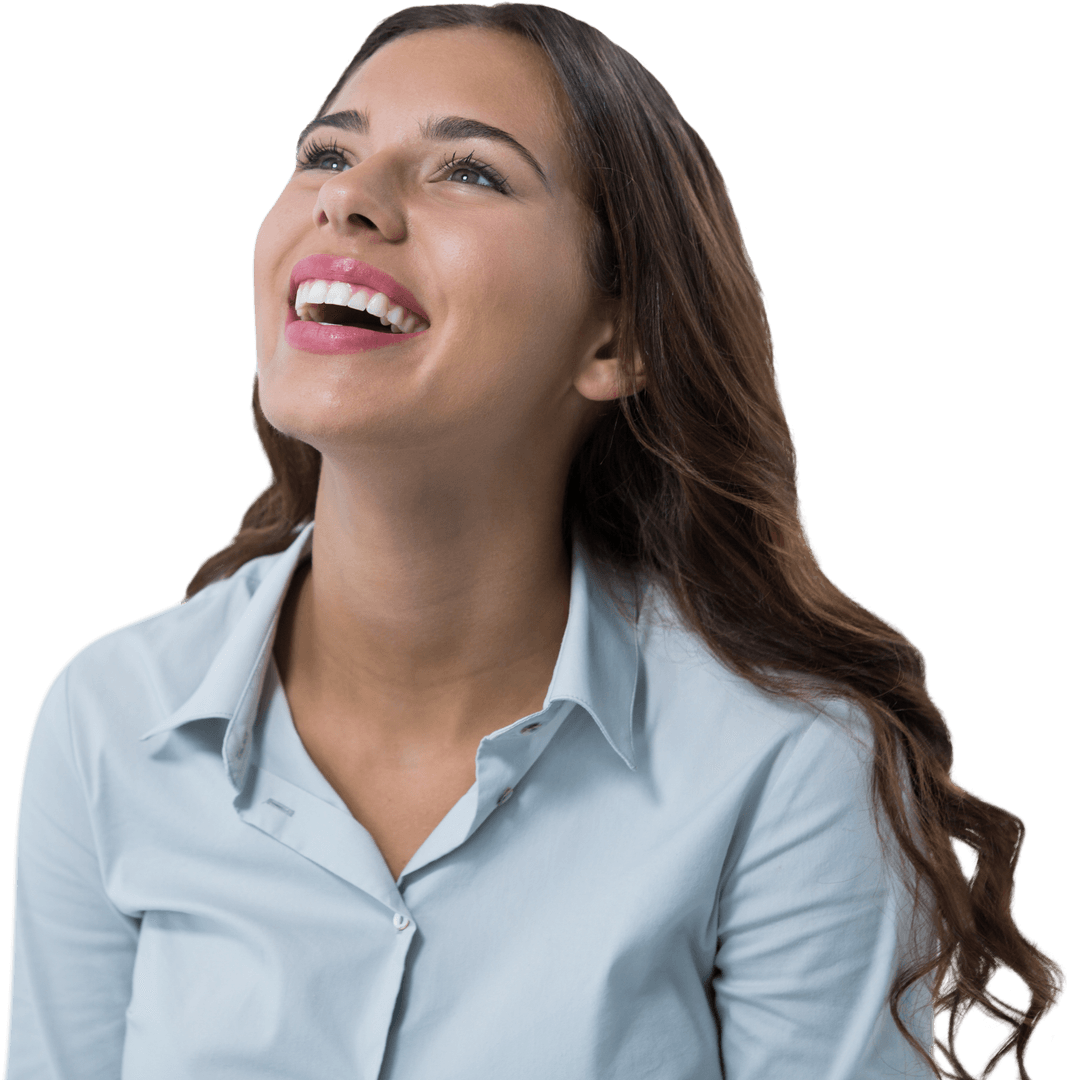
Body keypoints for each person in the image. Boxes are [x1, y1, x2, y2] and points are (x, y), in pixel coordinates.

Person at [5, 4, 1062, 1078]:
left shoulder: (785, 769)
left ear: (614, 339)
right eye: (326, 151)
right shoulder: (109, 722)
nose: (346, 199)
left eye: (468, 171)